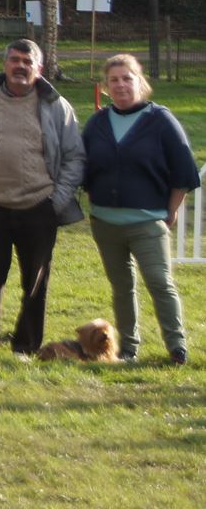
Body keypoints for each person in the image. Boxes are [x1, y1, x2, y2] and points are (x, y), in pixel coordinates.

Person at [0, 38, 84, 358]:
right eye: (14, 60)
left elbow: (74, 157)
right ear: (4, 65)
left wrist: (58, 200)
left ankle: (25, 347)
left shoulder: (56, 106)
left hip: (39, 207)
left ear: (39, 69)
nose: (20, 67)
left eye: (28, 62)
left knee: (35, 284)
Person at [81, 52, 199, 364]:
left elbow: (184, 172)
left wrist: (171, 211)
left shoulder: (160, 120)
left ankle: (177, 347)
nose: (120, 85)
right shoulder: (97, 123)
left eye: (126, 78)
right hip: (105, 223)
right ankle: (128, 348)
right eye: (113, 80)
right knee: (121, 286)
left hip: (148, 222)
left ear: (139, 81)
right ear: (106, 86)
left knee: (160, 282)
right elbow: (82, 168)